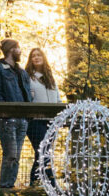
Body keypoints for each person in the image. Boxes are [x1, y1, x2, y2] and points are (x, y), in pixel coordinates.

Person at [0, 39, 32, 188]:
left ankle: (9, 188)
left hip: (22, 120)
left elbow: (28, 95)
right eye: (18, 48)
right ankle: (4, 190)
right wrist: (5, 114)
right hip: (7, 120)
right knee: (10, 155)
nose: (20, 51)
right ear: (11, 50)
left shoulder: (22, 72)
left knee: (16, 157)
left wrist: (27, 115)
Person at [24, 48, 61, 187]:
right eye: (33, 56)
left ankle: (35, 186)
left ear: (44, 58)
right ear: (30, 60)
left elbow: (57, 99)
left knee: (43, 154)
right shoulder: (27, 77)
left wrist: (59, 117)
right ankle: (51, 186)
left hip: (52, 122)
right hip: (35, 121)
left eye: (39, 55)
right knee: (43, 152)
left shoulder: (50, 78)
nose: (36, 57)